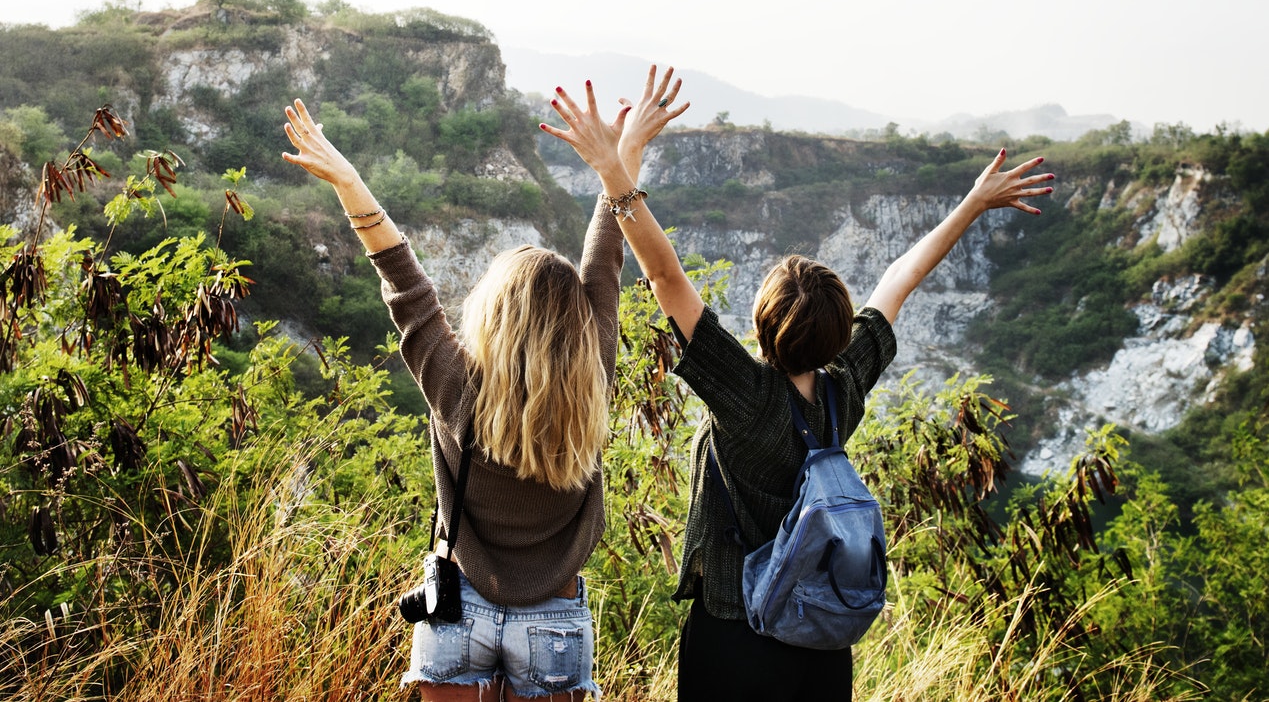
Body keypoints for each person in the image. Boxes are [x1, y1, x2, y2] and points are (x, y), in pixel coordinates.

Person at [542, 67, 1055, 702]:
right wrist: (973, 204)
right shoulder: (845, 389)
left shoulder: (748, 396)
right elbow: (900, 279)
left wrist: (611, 168)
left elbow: (666, 276)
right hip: (819, 640)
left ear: (761, 324)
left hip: (735, 634)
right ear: (840, 335)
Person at [281, 86, 686, 702]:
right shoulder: (593, 374)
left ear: (492, 315)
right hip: (554, 615)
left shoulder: (452, 382)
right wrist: (619, 159)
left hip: (456, 610)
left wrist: (348, 181)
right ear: (578, 324)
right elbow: (603, 265)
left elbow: (402, 277)